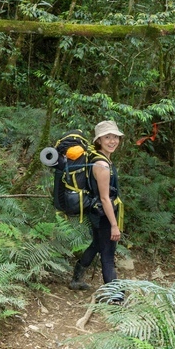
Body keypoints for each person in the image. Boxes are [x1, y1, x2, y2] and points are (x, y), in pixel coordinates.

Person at [69, 120, 124, 300]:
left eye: (115, 136)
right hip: (103, 213)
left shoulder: (97, 158)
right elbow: (104, 197)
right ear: (99, 140)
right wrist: (114, 225)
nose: (112, 141)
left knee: (97, 244)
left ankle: (77, 277)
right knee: (108, 253)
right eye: (107, 137)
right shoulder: (102, 165)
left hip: (97, 212)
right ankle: (115, 297)